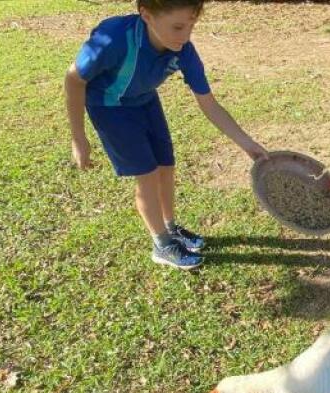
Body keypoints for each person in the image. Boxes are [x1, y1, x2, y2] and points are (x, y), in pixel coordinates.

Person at [64, 0, 267, 270]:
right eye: (178, 27)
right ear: (146, 15)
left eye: (191, 26)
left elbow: (208, 103)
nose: (185, 36)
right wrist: (78, 137)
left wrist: (247, 144)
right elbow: (74, 78)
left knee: (166, 167)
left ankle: (171, 228)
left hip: (145, 101)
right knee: (147, 176)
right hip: (110, 107)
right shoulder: (115, 38)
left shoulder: (184, 51)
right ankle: (161, 244)